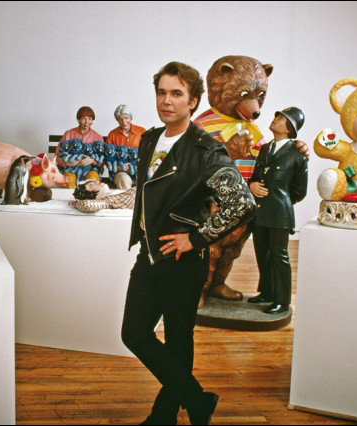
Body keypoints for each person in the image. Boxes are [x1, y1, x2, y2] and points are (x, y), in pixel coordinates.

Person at [121, 62, 256, 425]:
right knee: (134, 334)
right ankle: (197, 401)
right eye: (161, 93)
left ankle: (163, 416)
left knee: (178, 339)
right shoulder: (150, 139)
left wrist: (196, 238)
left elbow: (242, 203)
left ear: (193, 101)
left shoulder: (206, 149)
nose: (167, 101)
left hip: (183, 260)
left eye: (176, 94)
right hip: (150, 254)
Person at [247, 107, 308, 314]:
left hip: (279, 213)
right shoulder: (265, 149)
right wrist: (252, 185)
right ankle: (267, 292)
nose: (275, 120)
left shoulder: (297, 154)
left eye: (281, 118)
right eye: (277, 116)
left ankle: (282, 301)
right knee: (262, 253)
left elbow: (299, 191)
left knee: (278, 256)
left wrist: (281, 201)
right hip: (259, 211)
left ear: (289, 128)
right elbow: (256, 175)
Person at [56, 106, 104, 187]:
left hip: (90, 170)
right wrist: (67, 163)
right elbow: (57, 155)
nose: (86, 122)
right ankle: (72, 195)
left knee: (93, 179)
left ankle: (88, 196)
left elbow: (103, 160)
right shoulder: (69, 134)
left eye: (89, 119)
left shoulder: (98, 137)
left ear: (93, 120)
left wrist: (92, 161)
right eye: (83, 118)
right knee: (68, 180)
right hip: (71, 169)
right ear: (78, 120)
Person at [106, 104, 146, 189]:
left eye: (126, 118)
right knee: (124, 180)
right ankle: (127, 198)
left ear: (131, 117)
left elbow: (149, 153)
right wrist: (120, 168)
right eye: (120, 119)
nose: (124, 122)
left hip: (139, 169)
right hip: (120, 172)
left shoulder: (142, 132)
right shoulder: (112, 134)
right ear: (117, 120)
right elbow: (107, 158)